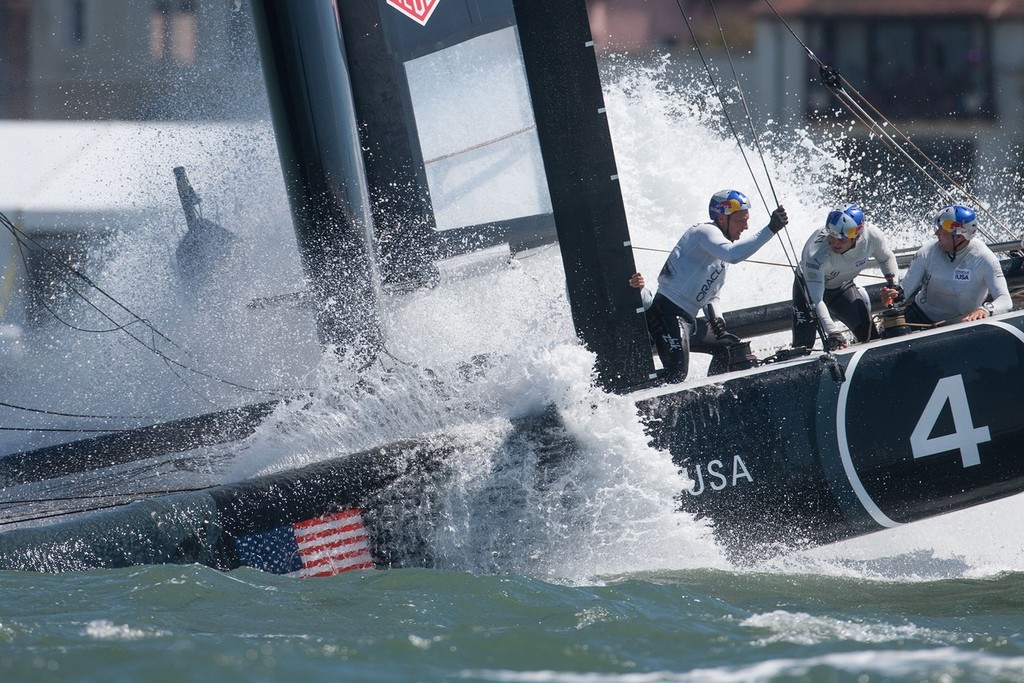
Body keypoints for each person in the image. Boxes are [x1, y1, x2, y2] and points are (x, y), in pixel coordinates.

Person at [637, 189, 788, 382]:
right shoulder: (705, 232)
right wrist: (770, 229)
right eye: (741, 220)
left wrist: (716, 317)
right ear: (722, 218)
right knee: (676, 374)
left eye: (747, 220)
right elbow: (733, 254)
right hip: (666, 313)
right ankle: (627, 394)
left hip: (687, 320)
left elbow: (712, 295)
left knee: (727, 346)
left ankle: (714, 392)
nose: (746, 226)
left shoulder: (721, 257)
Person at [792, 204, 900, 351]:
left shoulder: (872, 235)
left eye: (841, 240)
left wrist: (893, 285)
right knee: (803, 348)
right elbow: (816, 300)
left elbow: (886, 258)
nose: (835, 242)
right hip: (809, 292)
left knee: (869, 336)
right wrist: (833, 332)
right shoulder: (816, 255)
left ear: (857, 236)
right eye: (832, 236)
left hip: (841, 286)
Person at [881, 204, 1011, 325]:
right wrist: (893, 296)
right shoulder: (927, 252)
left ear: (959, 236)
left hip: (960, 324)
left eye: (942, 231)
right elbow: (904, 292)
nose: (936, 233)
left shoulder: (984, 259)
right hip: (920, 317)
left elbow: (1005, 299)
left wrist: (985, 310)